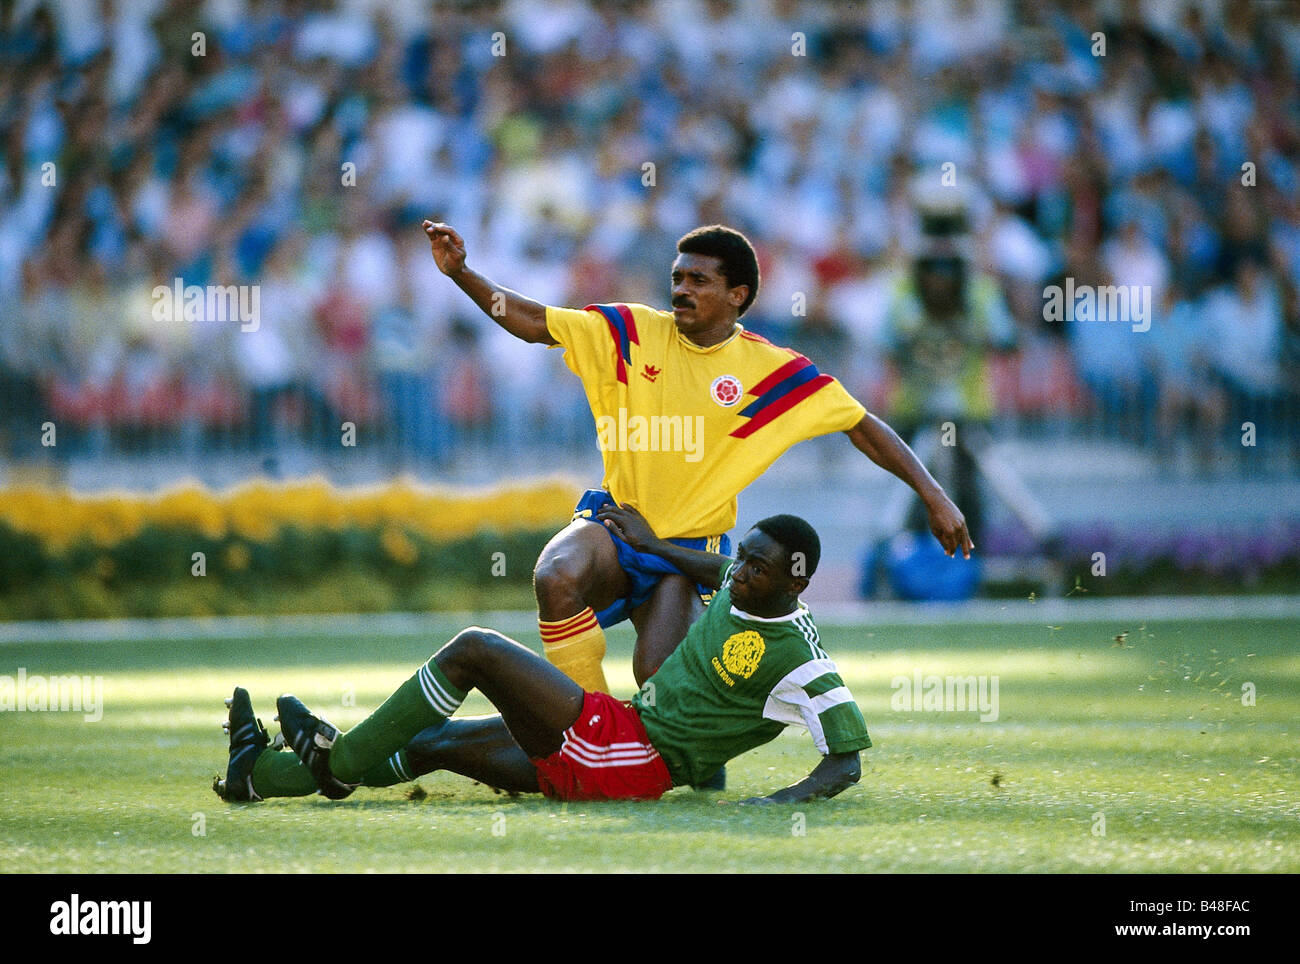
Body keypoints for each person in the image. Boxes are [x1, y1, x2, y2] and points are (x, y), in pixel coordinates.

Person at [420, 220, 972, 701]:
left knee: (659, 680)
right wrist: (463, 274)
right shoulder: (629, 332)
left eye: (698, 281)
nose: (681, 290)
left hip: (689, 551)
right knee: (555, 574)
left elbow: (862, 426)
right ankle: (586, 728)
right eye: (677, 279)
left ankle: (687, 752)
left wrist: (934, 494)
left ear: (738, 294)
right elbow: (534, 321)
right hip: (616, 525)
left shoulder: (773, 371)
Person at [213, 509, 869, 805]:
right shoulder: (741, 582)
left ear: (798, 583)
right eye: (747, 558)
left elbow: (844, 761)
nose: (743, 573)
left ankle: (336, 764)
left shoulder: (803, 661)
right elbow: (716, 564)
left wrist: (782, 802)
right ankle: (258, 777)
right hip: (620, 734)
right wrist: (652, 543)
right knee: (433, 739)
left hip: (629, 762)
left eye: (760, 568)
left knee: (474, 651)